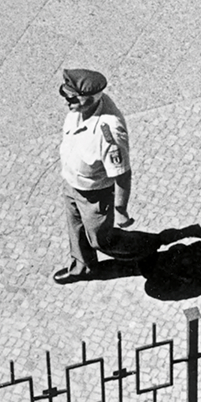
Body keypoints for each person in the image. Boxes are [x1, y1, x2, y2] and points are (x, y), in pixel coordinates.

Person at [54, 68, 135, 283]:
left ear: (89, 99)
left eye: (72, 98)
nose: (67, 102)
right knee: (76, 229)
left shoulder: (108, 132)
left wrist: (121, 210)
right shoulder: (78, 111)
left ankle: (144, 251)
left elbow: (122, 175)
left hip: (95, 193)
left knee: (101, 239)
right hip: (72, 183)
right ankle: (82, 267)